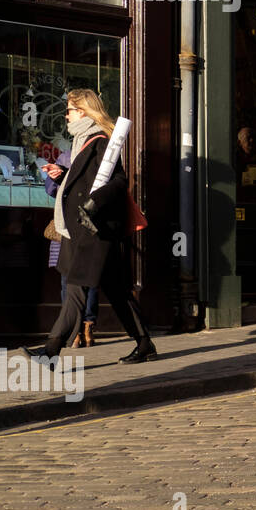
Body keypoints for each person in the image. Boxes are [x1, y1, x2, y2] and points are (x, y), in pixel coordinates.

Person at [25, 90, 157, 365]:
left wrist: (94, 202)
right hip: (80, 228)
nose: (66, 115)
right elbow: (85, 185)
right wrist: (63, 177)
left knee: (74, 290)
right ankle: (144, 343)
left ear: (83, 112)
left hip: (92, 229)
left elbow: (118, 182)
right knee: (118, 291)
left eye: (70, 110)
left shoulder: (99, 141)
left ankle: (50, 351)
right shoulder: (81, 142)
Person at [43, 148, 99, 348]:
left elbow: (50, 190)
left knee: (68, 280)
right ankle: (87, 327)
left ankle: (74, 333)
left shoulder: (66, 156)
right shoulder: (96, 154)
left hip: (68, 224)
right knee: (89, 279)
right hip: (89, 224)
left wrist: (57, 177)